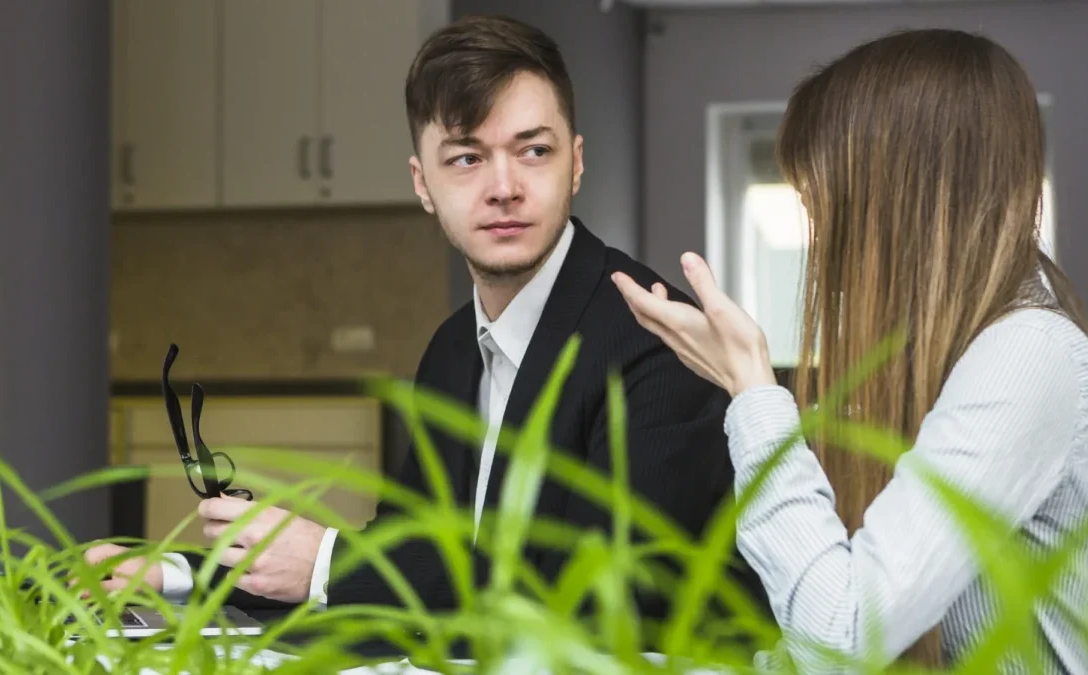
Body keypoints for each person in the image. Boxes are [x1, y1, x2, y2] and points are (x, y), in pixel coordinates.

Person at [84, 13, 767, 644]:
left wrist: (325, 559)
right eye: (466, 158)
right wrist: (179, 574)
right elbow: (410, 553)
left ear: (577, 163)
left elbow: (601, 598)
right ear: (422, 182)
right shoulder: (450, 349)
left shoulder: (656, 335)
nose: (504, 186)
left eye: (533, 151)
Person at [612, 28, 1088, 674]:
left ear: (892, 201)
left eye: (821, 203)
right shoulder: (956, 357)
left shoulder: (1028, 355)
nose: (820, 238)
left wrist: (753, 393)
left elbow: (843, 633)